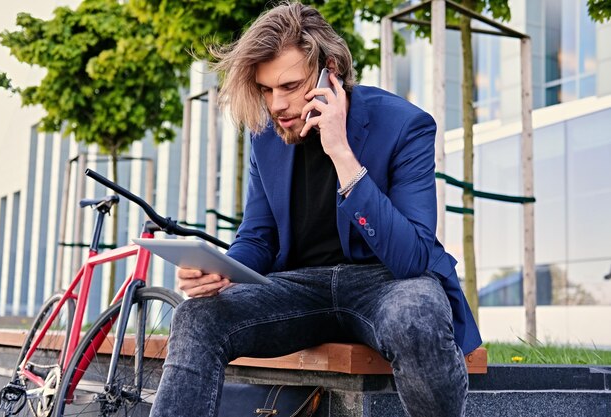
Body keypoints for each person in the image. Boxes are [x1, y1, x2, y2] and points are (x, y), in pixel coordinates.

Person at [150, 2, 481, 416]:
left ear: (330, 70)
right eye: (266, 90)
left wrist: (341, 151)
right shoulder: (265, 136)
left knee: (416, 314)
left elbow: (412, 258)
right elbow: (258, 236)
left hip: (386, 283)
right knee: (196, 317)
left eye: (289, 86)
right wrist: (224, 270)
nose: (276, 105)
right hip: (297, 289)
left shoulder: (405, 125)